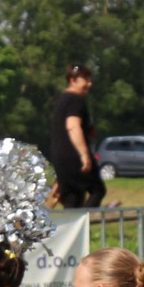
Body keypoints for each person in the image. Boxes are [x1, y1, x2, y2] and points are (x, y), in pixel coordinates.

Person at [49, 64, 106, 209]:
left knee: (72, 199)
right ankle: (83, 222)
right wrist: (84, 155)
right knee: (98, 190)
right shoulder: (75, 100)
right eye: (85, 80)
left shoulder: (62, 100)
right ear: (73, 80)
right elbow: (72, 126)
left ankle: (72, 229)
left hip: (59, 158)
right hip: (74, 156)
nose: (89, 84)